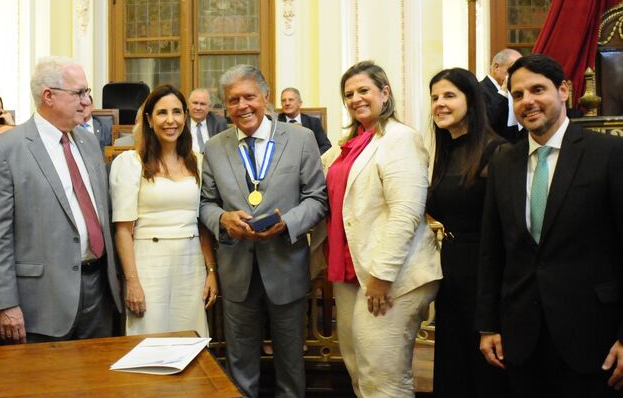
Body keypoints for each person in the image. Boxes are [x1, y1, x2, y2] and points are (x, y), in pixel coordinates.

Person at [477, 54, 623, 397]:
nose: (527, 101)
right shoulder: (503, 162)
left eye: (537, 89)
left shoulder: (609, 153)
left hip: (593, 336)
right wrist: (487, 326)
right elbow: (492, 249)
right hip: (521, 337)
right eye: (517, 94)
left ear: (564, 91)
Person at [199, 65, 327, 398]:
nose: (242, 106)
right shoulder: (214, 147)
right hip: (237, 270)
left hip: (286, 265)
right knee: (239, 365)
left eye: (249, 97)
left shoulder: (301, 139)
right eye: (233, 100)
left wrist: (290, 222)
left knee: (290, 366)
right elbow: (205, 204)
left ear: (266, 98)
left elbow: (317, 197)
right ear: (225, 107)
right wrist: (224, 219)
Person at [317, 61, 441, 397]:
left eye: (363, 90)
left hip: (391, 274)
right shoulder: (345, 147)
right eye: (349, 94)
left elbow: (406, 212)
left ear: (384, 93)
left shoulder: (400, 139)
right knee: (359, 370)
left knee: (383, 377)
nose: (355, 98)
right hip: (351, 271)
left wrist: (383, 275)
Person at [0, 57, 121, 344]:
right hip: (42, 301)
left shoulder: (89, 142)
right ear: (49, 96)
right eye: (79, 93)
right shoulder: (7, 149)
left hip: (100, 291)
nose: (87, 101)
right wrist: (5, 303)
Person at [425, 68, 508, 397]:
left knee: (483, 372)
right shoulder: (446, 152)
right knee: (453, 366)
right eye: (434, 98)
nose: (439, 104)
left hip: (485, 272)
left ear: (471, 101)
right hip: (453, 270)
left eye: (448, 96)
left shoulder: (496, 151)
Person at [110, 85, 218, 336]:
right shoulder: (130, 163)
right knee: (148, 339)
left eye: (177, 112)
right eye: (162, 113)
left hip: (191, 264)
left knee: (190, 340)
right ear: (149, 119)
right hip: (148, 264)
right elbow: (123, 230)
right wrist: (133, 281)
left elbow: (201, 222)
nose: (171, 120)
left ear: (185, 117)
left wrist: (211, 271)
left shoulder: (198, 161)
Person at [480, 49, 522, 143]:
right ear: (496, 67)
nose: (517, 73)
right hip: (495, 149)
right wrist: (503, 92)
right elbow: (486, 120)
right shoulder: (479, 89)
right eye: (513, 68)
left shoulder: (516, 90)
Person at [278, 87, 332, 154]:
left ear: (300, 103)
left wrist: (310, 158)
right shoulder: (276, 122)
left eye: (291, 100)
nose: (287, 103)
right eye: (283, 100)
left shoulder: (313, 122)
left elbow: (326, 146)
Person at [188, 88, 227, 154]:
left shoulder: (219, 123)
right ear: (188, 104)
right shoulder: (181, 122)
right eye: (195, 103)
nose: (198, 108)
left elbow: (223, 151)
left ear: (209, 107)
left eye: (202, 104)